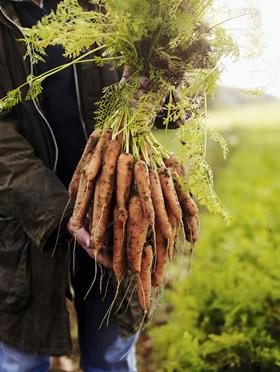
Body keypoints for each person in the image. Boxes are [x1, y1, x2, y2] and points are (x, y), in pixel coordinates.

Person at [0, 0, 143, 370]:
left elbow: (166, 106)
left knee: (113, 354)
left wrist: (161, 86)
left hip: (115, 214)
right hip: (23, 222)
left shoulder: (112, 8)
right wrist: (60, 214)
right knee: (21, 357)